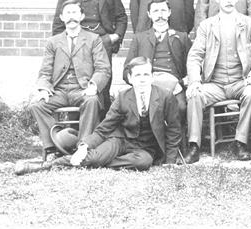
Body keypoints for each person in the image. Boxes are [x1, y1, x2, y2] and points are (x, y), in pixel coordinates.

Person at [15, 57, 182, 175]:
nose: (143, 79)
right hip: (120, 141)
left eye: (146, 74)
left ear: (152, 76)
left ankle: (100, 161)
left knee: (143, 163)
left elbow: (174, 129)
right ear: (130, 78)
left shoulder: (165, 97)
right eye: (138, 75)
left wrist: (171, 160)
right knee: (92, 157)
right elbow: (104, 128)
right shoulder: (123, 97)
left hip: (145, 149)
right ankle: (46, 166)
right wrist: (84, 147)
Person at [185, 0, 251, 162]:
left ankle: (241, 142)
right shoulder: (207, 26)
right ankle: (194, 145)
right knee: (194, 95)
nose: (229, 0)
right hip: (214, 84)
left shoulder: (249, 24)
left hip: (240, 81)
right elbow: (194, 56)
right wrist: (195, 81)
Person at [26, 0, 110, 161]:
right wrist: (44, 89)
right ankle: (53, 147)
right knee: (37, 105)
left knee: (92, 101)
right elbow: (45, 71)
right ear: (62, 17)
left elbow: (103, 68)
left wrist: (93, 86)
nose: (71, 17)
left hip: (82, 89)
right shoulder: (53, 42)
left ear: (82, 16)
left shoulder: (93, 39)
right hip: (59, 90)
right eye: (68, 13)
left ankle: (83, 147)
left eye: (75, 13)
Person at [52, 0, 127, 110]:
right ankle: (81, 121)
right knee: (80, 81)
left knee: (103, 82)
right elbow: (58, 22)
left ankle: (103, 124)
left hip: (102, 41)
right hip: (77, 42)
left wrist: (114, 37)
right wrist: (64, 44)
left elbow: (121, 17)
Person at [123, 0, 190, 133]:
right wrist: (138, 80)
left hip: (174, 86)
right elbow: (126, 70)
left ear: (169, 12)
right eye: (155, 11)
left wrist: (186, 80)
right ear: (149, 14)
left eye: (163, 10)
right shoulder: (139, 38)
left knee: (181, 107)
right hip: (148, 84)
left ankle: (176, 143)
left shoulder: (181, 37)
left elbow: (193, 64)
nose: (160, 15)